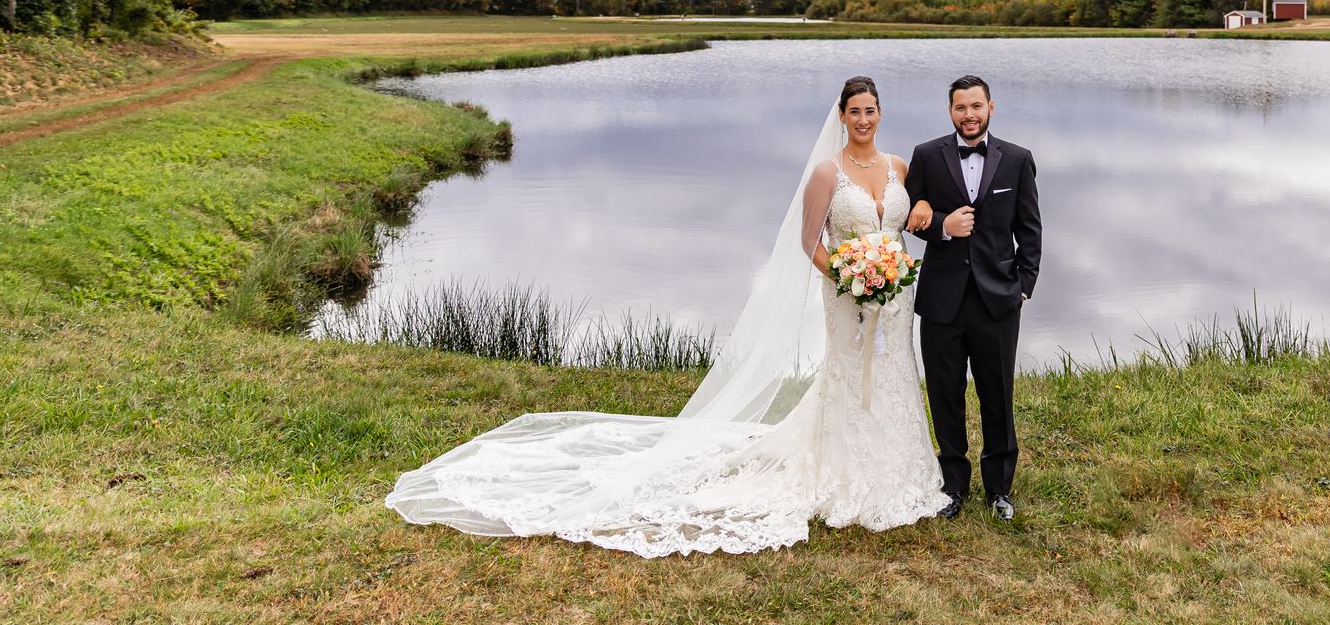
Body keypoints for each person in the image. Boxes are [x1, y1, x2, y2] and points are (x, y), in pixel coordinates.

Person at [384, 75, 947, 555]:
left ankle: (902, 471)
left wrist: (901, 248)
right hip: (846, 294)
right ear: (842, 116)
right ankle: (845, 475)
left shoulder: (899, 165)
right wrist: (849, 280)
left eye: (871, 111)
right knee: (849, 378)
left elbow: (909, 221)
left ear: (880, 113)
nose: (864, 119)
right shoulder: (828, 173)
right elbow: (810, 244)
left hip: (895, 300)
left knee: (895, 374)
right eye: (855, 112)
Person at [901, 74, 1043, 521]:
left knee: (996, 394)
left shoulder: (1018, 160)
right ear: (950, 111)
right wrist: (943, 225)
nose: (969, 115)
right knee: (944, 394)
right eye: (961, 107)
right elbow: (907, 216)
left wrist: (1022, 286)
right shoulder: (925, 156)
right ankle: (953, 487)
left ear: (991, 108)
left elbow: (1030, 230)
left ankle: (999, 489)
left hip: (998, 300)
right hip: (942, 299)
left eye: (976, 106)